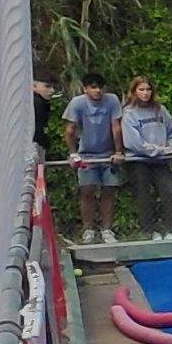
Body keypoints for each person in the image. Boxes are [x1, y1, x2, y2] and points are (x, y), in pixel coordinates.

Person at [118, 78, 172, 238]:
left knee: (170, 193)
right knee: (144, 197)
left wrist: (171, 146)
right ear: (134, 92)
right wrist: (158, 150)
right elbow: (133, 142)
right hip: (139, 160)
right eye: (141, 90)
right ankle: (149, 231)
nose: (145, 93)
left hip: (161, 161)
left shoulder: (160, 110)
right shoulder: (129, 113)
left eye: (148, 89)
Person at [61, 71, 122, 245]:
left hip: (108, 154)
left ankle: (106, 229)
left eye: (100, 87)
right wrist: (73, 153)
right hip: (87, 154)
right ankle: (88, 229)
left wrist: (118, 151)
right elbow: (70, 130)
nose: (98, 91)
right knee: (87, 191)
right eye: (93, 88)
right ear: (85, 88)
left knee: (109, 191)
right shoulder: (77, 103)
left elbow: (116, 126)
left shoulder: (112, 100)